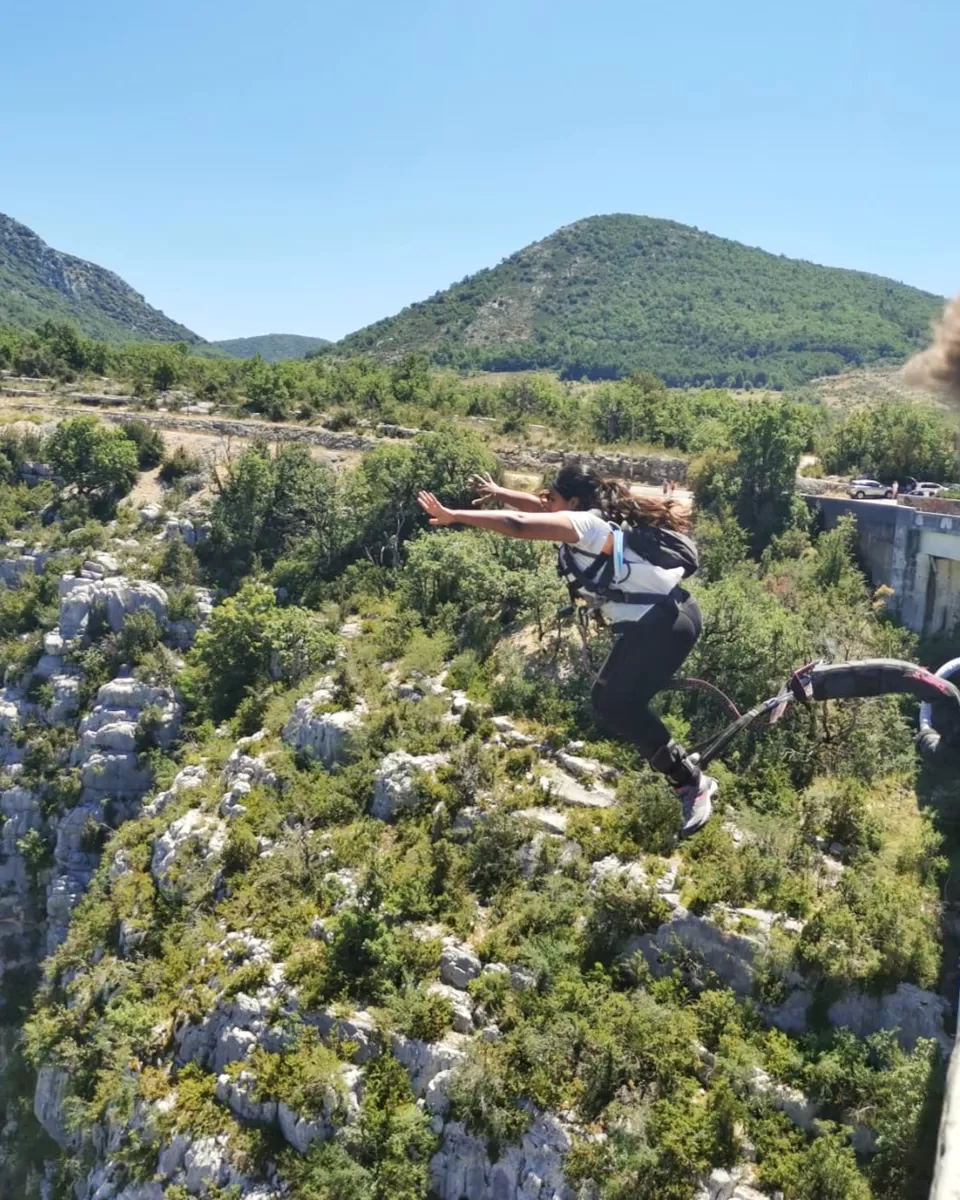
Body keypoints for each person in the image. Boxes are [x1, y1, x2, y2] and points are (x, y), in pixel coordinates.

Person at [416, 464, 716, 836]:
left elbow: (520, 523)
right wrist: (499, 491)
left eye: (552, 499)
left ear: (572, 502)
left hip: (667, 623)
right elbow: (533, 507)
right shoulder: (583, 518)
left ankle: (691, 782)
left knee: (614, 702)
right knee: (610, 700)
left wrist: (455, 515)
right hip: (664, 618)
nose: (545, 505)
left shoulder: (588, 527)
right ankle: (685, 775)